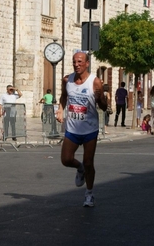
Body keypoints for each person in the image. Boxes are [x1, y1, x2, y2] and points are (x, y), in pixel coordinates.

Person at [55, 52, 107, 207]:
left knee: (89, 162)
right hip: (72, 128)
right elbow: (64, 96)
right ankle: (80, 168)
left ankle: (89, 194)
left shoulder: (95, 82)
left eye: (79, 62)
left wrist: (101, 97)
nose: (76, 64)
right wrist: (60, 109)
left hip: (89, 129)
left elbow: (103, 107)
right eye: (74, 62)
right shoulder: (67, 80)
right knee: (66, 159)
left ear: (87, 64)